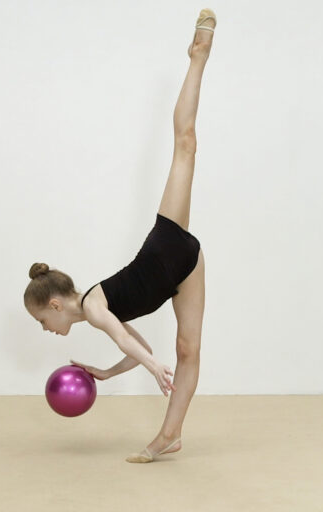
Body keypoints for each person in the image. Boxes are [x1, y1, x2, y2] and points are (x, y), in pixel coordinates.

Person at [24, 8, 216, 463]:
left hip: (168, 242)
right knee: (187, 349)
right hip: (185, 269)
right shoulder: (96, 309)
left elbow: (133, 346)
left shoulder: (92, 304)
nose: (47, 331)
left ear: (55, 305)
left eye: (41, 322)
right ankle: (170, 435)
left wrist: (150, 368)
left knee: (184, 143)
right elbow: (139, 345)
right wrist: (111, 374)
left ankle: (197, 58)